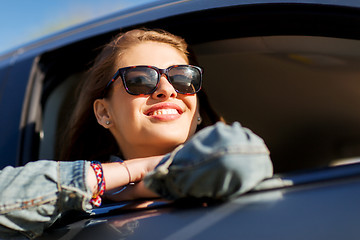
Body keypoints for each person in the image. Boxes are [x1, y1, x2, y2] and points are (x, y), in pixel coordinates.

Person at [0, 29, 272, 239]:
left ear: (197, 109)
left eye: (183, 78)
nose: (166, 89)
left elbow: (239, 157)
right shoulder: (68, 213)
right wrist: (128, 178)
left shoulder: (227, 166)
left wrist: (155, 181)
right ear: (104, 113)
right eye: (140, 80)